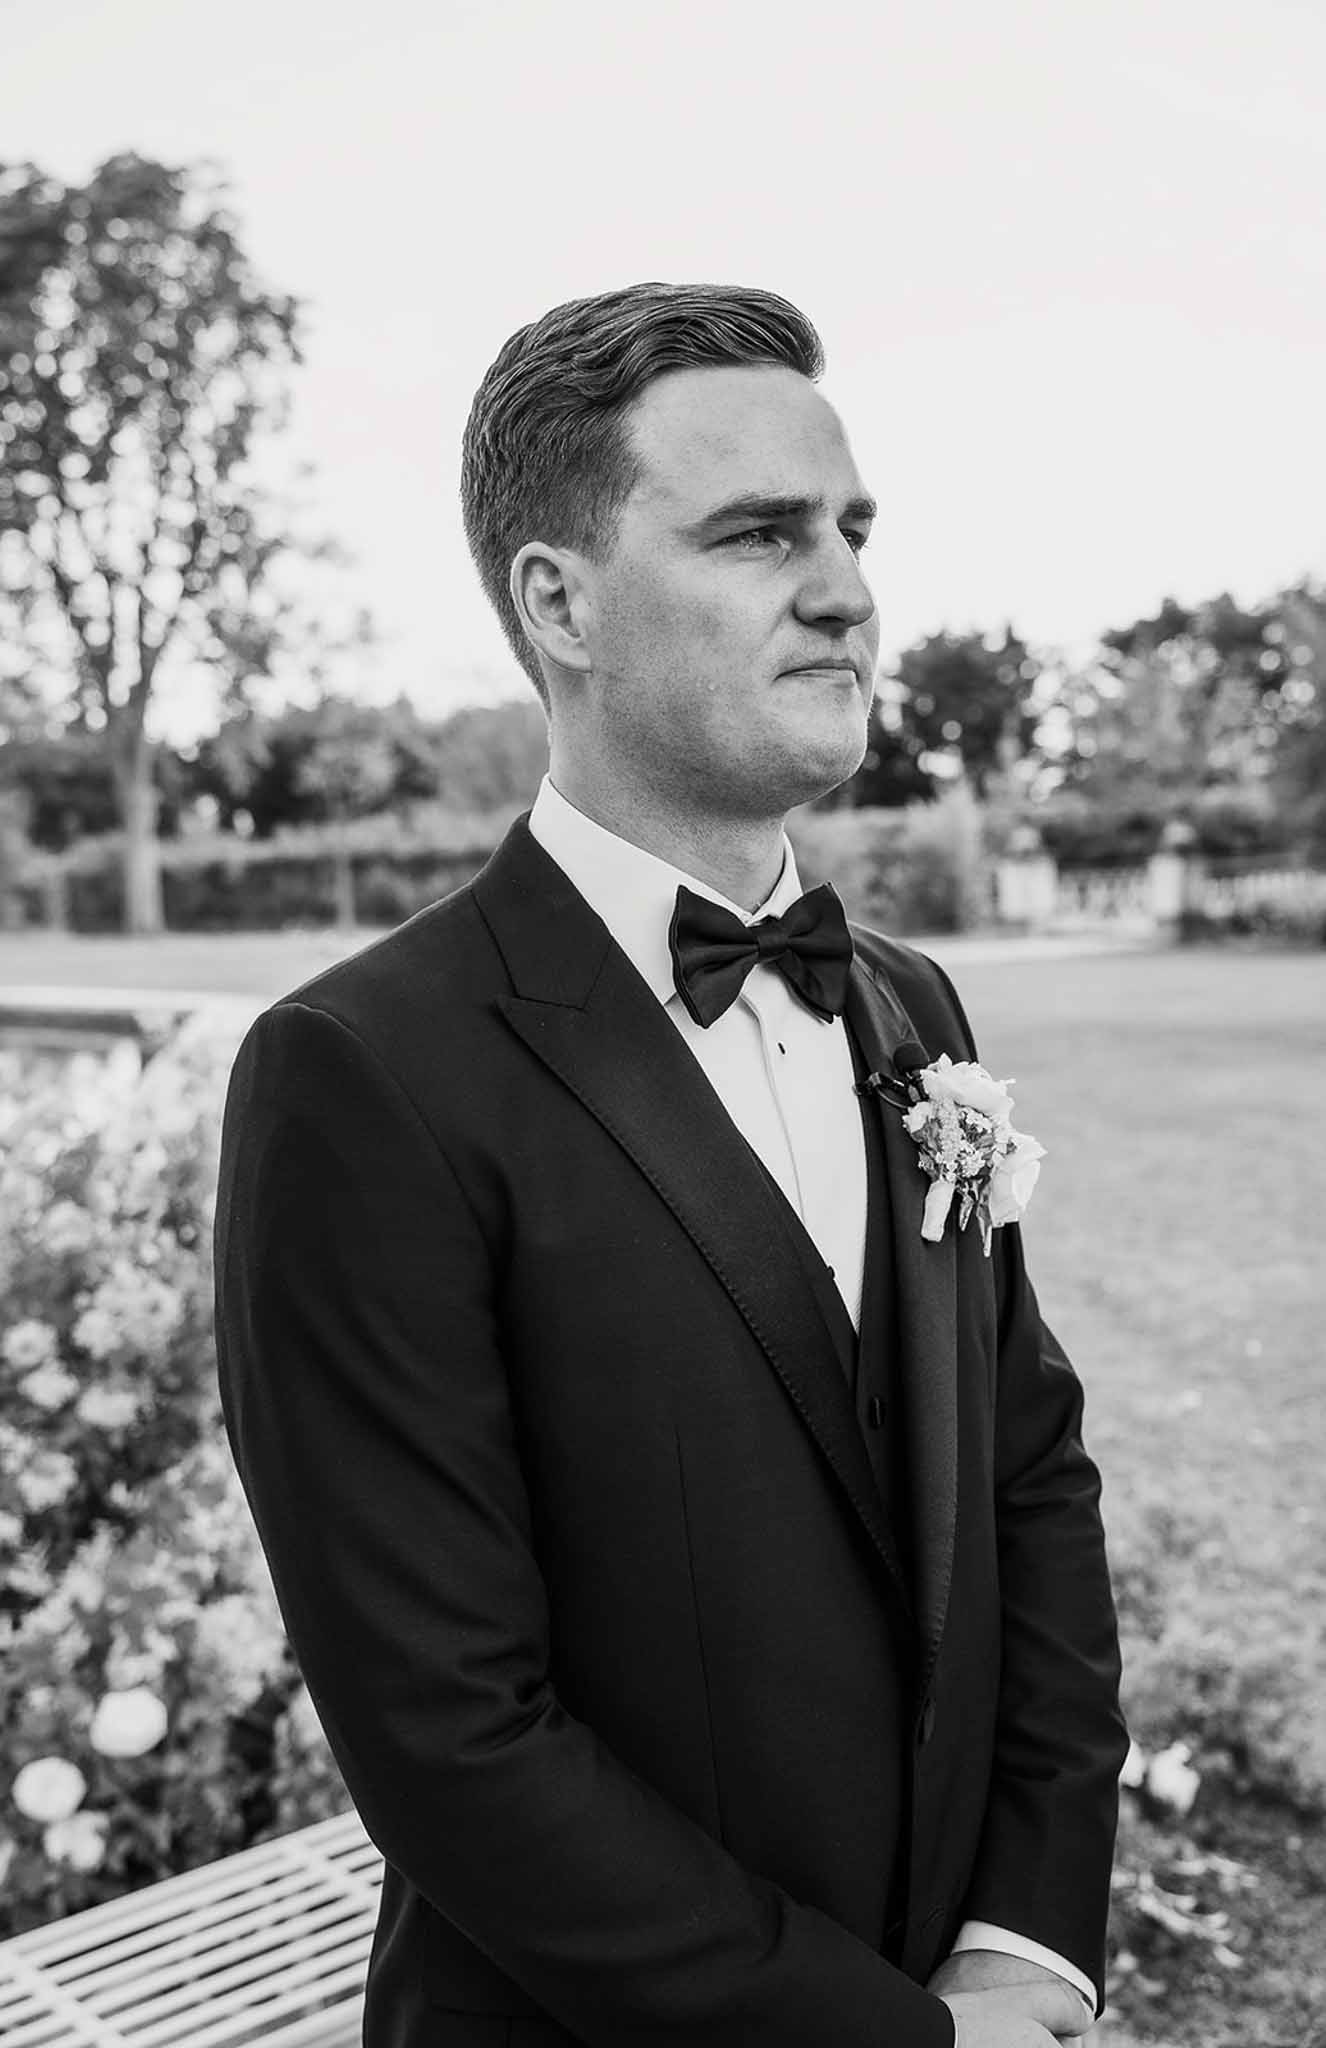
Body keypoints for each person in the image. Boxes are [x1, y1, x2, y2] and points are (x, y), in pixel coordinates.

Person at [214, 282, 1127, 2048]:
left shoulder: (909, 1007)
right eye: (757, 533)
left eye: (852, 529)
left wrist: (1025, 1947)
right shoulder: (358, 1074)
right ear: (558, 602)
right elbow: (446, 1729)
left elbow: (1027, 1488)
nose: (848, 587)